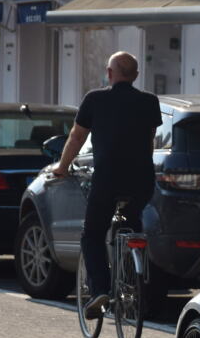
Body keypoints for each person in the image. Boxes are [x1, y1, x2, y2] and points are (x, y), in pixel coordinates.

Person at [52, 51, 161, 318]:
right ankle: (132, 274)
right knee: (132, 222)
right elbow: (149, 142)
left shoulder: (95, 99)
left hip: (107, 179)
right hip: (142, 180)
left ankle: (100, 289)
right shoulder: (150, 102)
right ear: (135, 75)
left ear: (110, 74)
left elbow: (77, 138)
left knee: (92, 234)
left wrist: (63, 167)